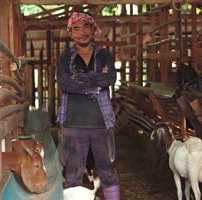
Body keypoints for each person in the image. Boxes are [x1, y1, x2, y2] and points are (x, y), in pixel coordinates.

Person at [56, 12, 120, 200]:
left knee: (107, 170)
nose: (82, 32)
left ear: (93, 30)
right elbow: (64, 83)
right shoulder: (65, 57)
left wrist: (81, 78)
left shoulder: (104, 55)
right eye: (76, 28)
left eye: (86, 27)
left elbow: (110, 78)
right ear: (70, 33)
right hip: (73, 123)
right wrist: (94, 83)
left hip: (101, 123)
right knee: (73, 174)